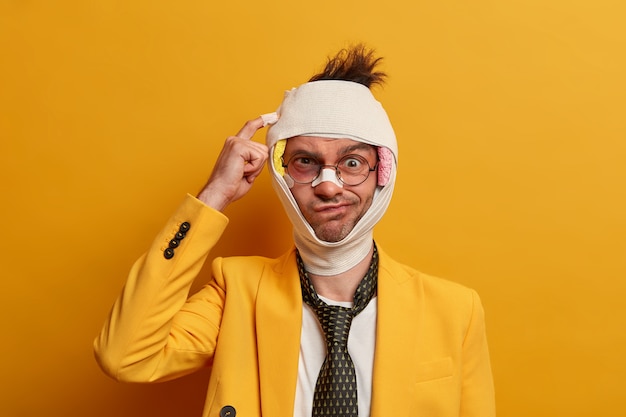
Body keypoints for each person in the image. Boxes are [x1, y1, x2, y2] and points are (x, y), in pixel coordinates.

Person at [94, 45, 496, 417]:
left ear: (382, 173)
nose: (328, 184)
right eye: (305, 161)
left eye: (352, 163)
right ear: (283, 174)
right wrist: (214, 194)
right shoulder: (236, 292)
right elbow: (125, 356)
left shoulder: (455, 311)